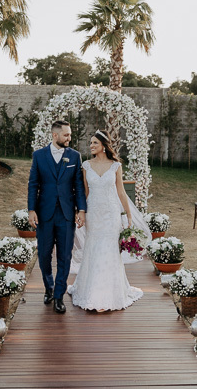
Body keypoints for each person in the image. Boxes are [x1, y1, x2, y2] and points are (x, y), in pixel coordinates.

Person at [68, 130, 146, 312]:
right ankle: (92, 291)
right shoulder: (86, 166)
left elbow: (121, 192)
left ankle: (108, 293)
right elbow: (85, 192)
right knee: (94, 247)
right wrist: (80, 212)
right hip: (93, 212)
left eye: (95, 143)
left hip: (111, 213)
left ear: (104, 145)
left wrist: (128, 214)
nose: (91, 146)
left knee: (110, 249)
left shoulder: (115, 166)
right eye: (91, 143)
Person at [27, 120, 87, 314]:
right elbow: (33, 184)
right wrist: (31, 210)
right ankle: (49, 287)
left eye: (70, 135)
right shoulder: (39, 156)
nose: (70, 138)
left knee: (65, 256)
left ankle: (59, 296)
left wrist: (81, 210)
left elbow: (78, 185)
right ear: (55, 135)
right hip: (44, 214)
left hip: (67, 214)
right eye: (66, 135)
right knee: (44, 255)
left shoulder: (75, 156)